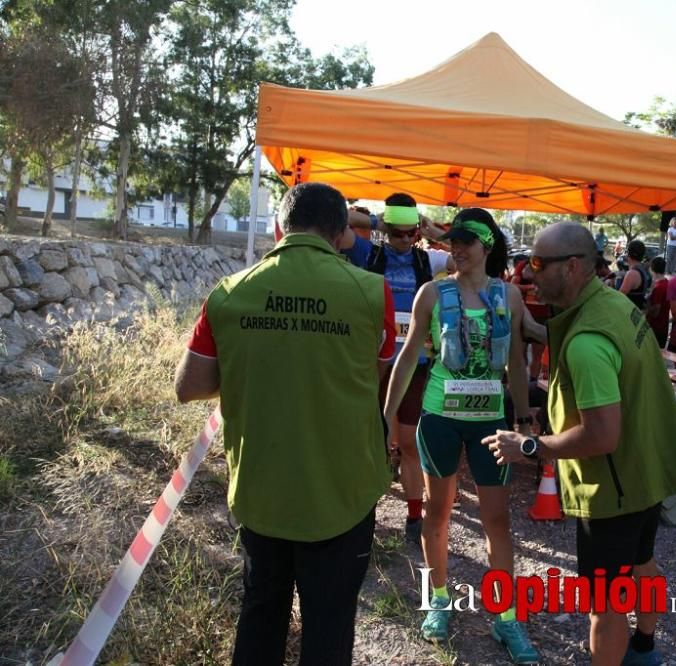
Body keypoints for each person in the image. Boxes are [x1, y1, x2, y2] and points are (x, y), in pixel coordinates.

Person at [174, 183, 396, 665]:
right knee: (330, 624)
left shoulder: (229, 293)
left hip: (261, 489)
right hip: (343, 490)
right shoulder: (372, 293)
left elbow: (188, 386)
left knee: (261, 612)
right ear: (341, 234)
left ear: (278, 227)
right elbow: (370, 376)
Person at [483, 222, 676, 666]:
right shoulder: (615, 303)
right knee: (642, 563)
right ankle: (644, 647)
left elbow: (602, 435)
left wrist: (530, 446)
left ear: (574, 266)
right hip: (647, 473)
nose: (528, 273)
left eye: (539, 264)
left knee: (604, 603)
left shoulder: (587, 342)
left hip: (611, 490)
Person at [383, 208, 539, 663]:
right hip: (440, 419)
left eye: (467, 240)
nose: (458, 247)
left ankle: (506, 617)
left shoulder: (508, 296)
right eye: (453, 240)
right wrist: (388, 416)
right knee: (438, 513)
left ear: (487, 245)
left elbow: (515, 361)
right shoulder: (432, 293)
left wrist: (525, 419)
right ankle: (439, 599)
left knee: (497, 521)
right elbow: (409, 356)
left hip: (490, 422)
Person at [338, 193, 452, 544]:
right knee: (366, 439)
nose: (404, 241)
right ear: (387, 229)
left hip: (415, 366)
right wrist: (374, 224)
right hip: (372, 363)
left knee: (408, 443)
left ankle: (414, 517)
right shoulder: (367, 252)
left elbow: (476, 256)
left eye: (410, 234)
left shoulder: (428, 260)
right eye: (396, 233)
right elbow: (332, 218)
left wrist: (437, 232)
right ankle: (359, 515)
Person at [618, 239, 651, 309]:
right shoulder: (642, 270)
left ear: (628, 253)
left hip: (628, 314)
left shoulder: (632, 274)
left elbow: (619, 297)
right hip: (637, 311)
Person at [646, 256, 671, 348]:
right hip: (663, 326)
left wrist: (646, 304)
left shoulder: (658, 287)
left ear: (651, 268)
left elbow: (656, 312)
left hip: (655, 328)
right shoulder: (667, 283)